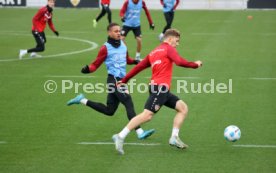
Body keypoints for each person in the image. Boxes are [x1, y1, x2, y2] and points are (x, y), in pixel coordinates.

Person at [112, 29, 203, 155]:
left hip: (160, 89)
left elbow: (139, 67)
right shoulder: (168, 48)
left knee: (183, 108)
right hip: (160, 88)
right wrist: (195, 64)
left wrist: (125, 80)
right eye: (177, 41)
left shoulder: (154, 52)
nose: (177, 44)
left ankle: (174, 137)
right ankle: (120, 136)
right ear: (170, 39)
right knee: (147, 115)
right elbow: (179, 61)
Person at [67, 23, 155, 140]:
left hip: (121, 80)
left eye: (119, 31)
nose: (119, 33)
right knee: (128, 101)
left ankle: (81, 100)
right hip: (113, 80)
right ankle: (139, 132)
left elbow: (126, 59)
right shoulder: (105, 48)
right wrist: (87, 69)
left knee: (110, 111)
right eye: (115, 31)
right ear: (109, 33)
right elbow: (95, 64)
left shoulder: (123, 44)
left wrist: (135, 61)